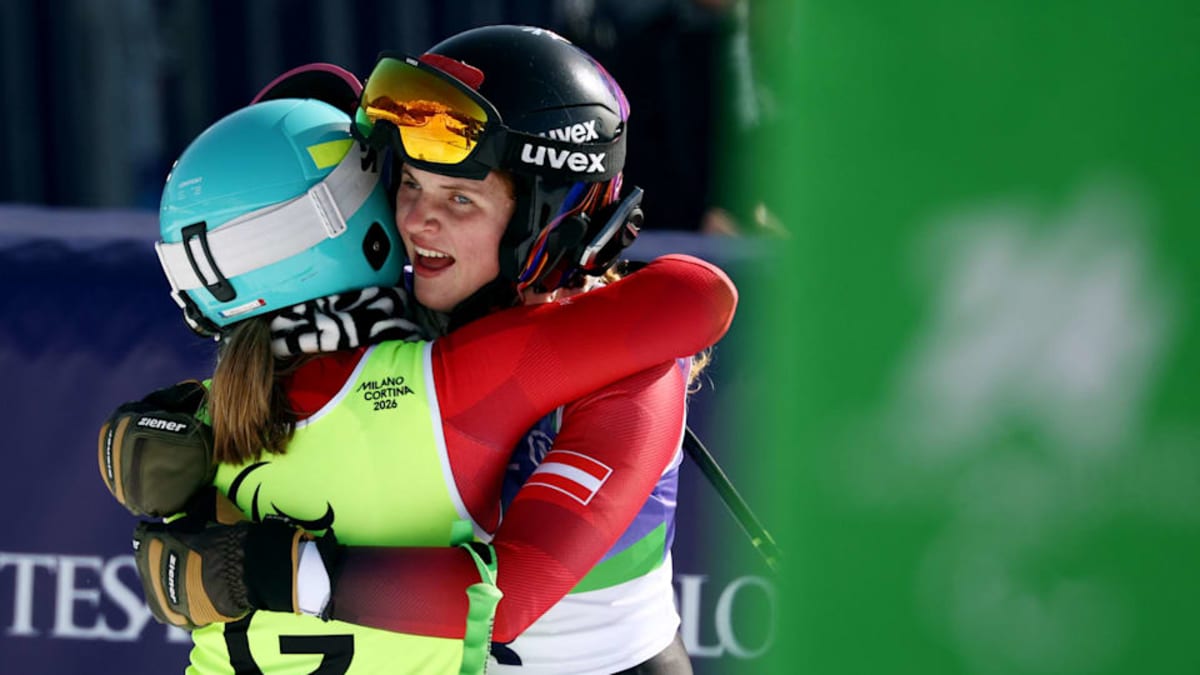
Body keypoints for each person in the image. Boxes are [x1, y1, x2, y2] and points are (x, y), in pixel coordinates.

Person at [104, 26, 728, 674]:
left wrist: (269, 571)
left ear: (544, 217)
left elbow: (511, 597)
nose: (417, 221)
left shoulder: (633, 369)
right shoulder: (417, 305)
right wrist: (188, 422)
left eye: (459, 198)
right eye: (410, 186)